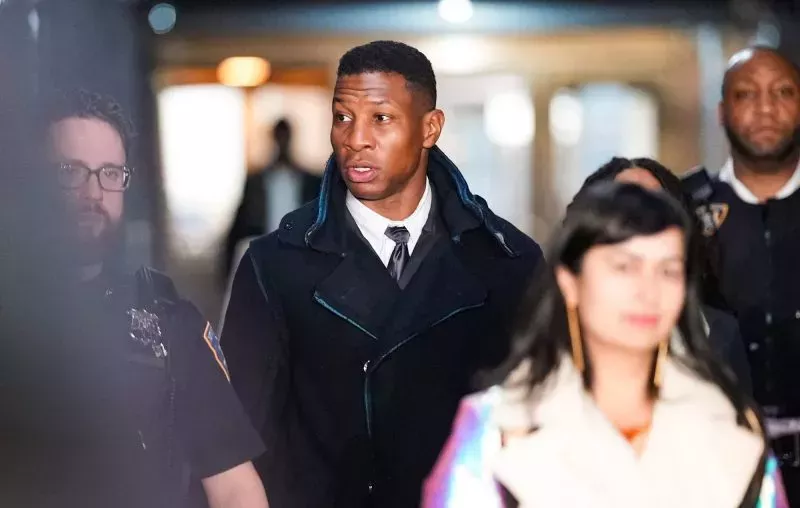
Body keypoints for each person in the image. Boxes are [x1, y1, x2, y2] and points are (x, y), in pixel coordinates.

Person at [221, 40, 543, 508]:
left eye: (381, 118)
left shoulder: (508, 262)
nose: (355, 139)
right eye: (342, 117)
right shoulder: (273, 267)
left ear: (430, 128)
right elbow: (236, 444)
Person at [422, 183, 789, 508]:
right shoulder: (500, 427)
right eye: (624, 267)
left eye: (668, 270)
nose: (648, 291)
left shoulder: (728, 426)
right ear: (569, 282)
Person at [44, 89, 269, 508]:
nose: (93, 193)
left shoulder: (168, 324)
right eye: (70, 171)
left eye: (110, 173)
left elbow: (236, 490)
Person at [681, 45, 800, 502]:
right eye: (746, 94)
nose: (766, 108)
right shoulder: (685, 210)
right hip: (717, 463)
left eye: (783, 92)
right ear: (721, 112)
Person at [570, 156, 752, 394]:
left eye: (656, 204)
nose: (644, 219)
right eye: (626, 204)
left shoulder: (720, 334)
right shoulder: (554, 346)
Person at [223, 118, 322, 282]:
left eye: (285, 137)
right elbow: (239, 228)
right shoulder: (255, 182)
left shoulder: (312, 182)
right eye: (279, 137)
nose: (282, 142)